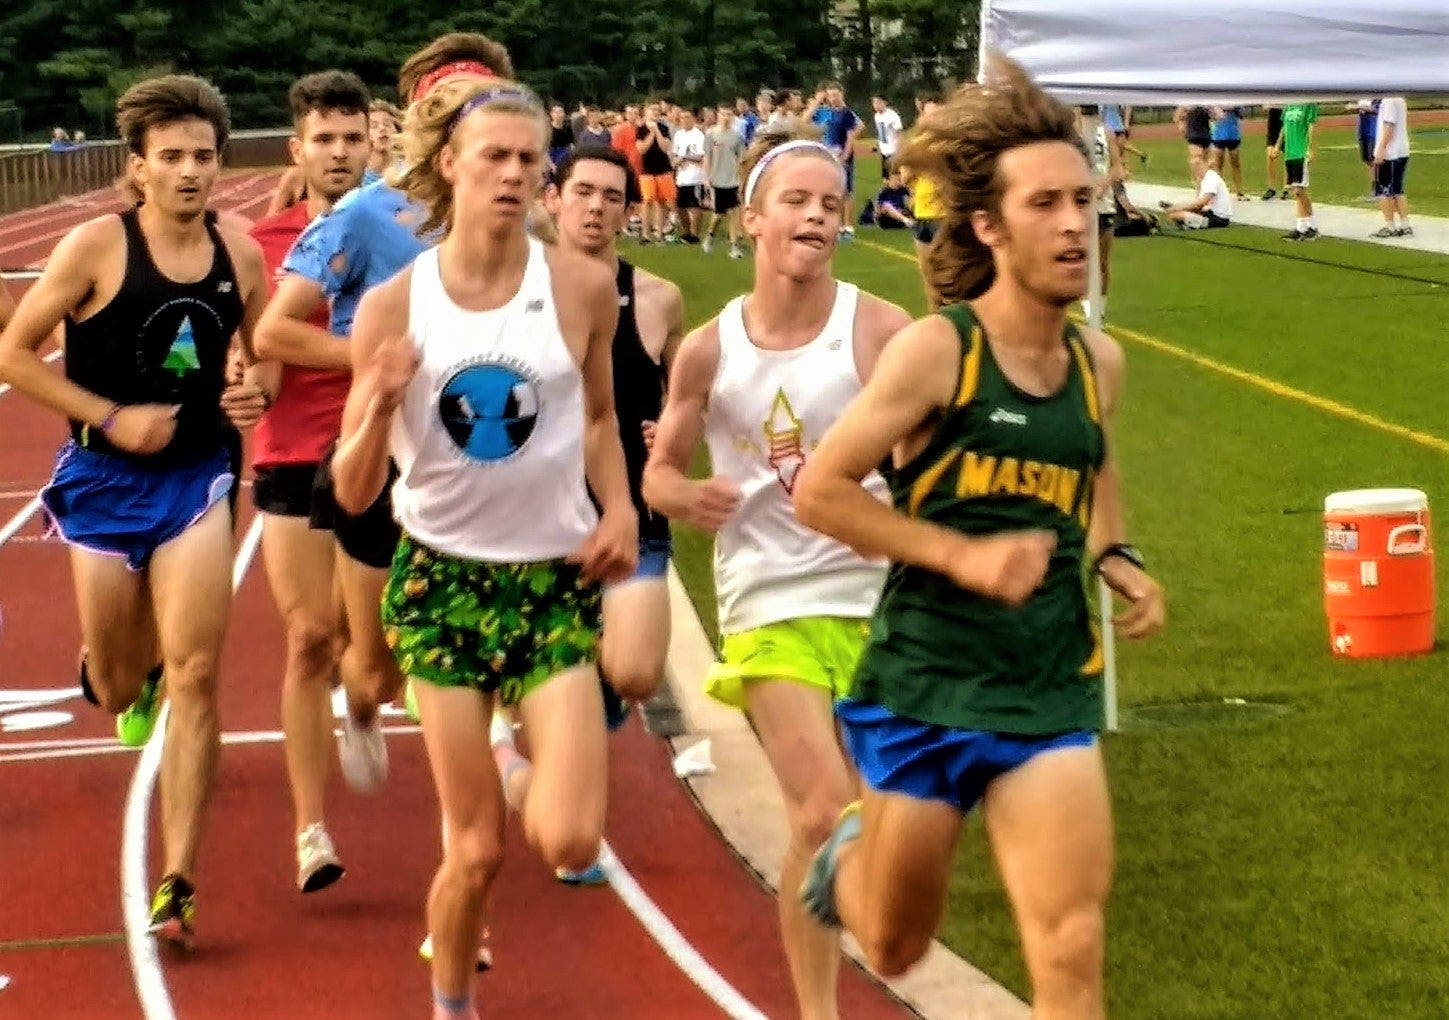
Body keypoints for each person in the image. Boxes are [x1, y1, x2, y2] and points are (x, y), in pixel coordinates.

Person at [792, 60, 1164, 1019]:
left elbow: (1093, 463)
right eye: (1045, 203)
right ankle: (848, 851)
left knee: (1071, 942)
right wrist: (961, 556)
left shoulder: (1099, 364)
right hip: (921, 686)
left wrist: (1115, 554)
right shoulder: (939, 354)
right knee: (895, 945)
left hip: (1046, 688)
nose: (1075, 221)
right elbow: (823, 492)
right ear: (989, 227)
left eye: (1084, 198)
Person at [330, 76, 636, 1020]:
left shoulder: (583, 286)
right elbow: (351, 491)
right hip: (442, 587)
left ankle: (512, 759)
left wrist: (618, 507)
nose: (510, 174)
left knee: (573, 843)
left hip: (550, 584)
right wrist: (380, 399)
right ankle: (452, 1004)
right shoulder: (393, 306)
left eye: (525, 159)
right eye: (491, 156)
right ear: (449, 165)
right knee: (475, 852)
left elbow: (594, 414)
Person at [254, 34, 512, 963]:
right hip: (377, 469)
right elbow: (281, 330)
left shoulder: (520, 217)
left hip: (480, 475)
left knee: (469, 683)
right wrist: (380, 360)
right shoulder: (367, 217)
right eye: (464, 116)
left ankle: (466, 908)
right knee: (374, 670)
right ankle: (361, 707)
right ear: (433, 129)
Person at [643, 128, 911, 1020]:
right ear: (751, 219)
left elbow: (924, 463)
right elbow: (660, 471)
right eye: (795, 201)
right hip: (770, 594)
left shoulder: (878, 331)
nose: (815, 216)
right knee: (823, 811)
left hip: (876, 597)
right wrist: (683, 497)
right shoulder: (710, 352)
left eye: (830, 205)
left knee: (866, 824)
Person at [0, 74, 271, 951]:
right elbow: (14, 356)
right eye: (172, 158)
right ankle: (117, 670)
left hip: (197, 481)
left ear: (219, 166)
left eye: (203, 157)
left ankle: (179, 879)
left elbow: (253, 359)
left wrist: (248, 392)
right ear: (139, 169)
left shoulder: (243, 257)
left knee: (196, 675)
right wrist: (111, 417)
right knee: (121, 685)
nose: (190, 173)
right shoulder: (94, 248)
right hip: (103, 482)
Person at [494, 143, 686, 884]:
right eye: (583, 191)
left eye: (612, 195)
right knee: (560, 676)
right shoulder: (514, 290)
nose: (596, 207)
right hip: (540, 519)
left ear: (628, 210)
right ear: (554, 198)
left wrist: (667, 428)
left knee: (634, 673)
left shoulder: (660, 297)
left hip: (631, 511)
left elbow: (679, 402)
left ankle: (551, 753)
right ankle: (559, 805)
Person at [248, 70, 372, 893]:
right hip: (292, 451)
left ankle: (363, 701)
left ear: (374, 145)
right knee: (307, 638)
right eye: (322, 140)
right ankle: (309, 830)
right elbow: (264, 350)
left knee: (376, 650)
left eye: (351, 138)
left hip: (383, 452)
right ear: (298, 150)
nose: (337, 153)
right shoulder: (262, 246)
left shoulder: (404, 229)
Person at [702, 104, 745, 257]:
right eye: (723, 114)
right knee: (719, 214)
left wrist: (741, 179)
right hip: (717, 178)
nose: (726, 117)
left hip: (732, 179)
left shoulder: (737, 136)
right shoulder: (711, 134)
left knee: (733, 212)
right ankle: (710, 235)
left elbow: (741, 159)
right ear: (718, 115)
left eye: (729, 114)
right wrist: (706, 177)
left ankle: (734, 247)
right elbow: (707, 157)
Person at [1272, 102, 1317, 240]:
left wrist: (1309, 147)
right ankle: (1304, 226)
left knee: (1299, 190)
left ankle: (1308, 225)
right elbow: (1284, 127)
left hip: (1300, 151)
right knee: (1296, 191)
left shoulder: (1309, 105)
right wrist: (1278, 145)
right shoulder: (1289, 105)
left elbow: (1310, 127)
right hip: (1289, 153)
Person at [1371, 96, 1412, 238]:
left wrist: (1381, 148)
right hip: (1402, 150)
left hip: (1391, 152)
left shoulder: (1388, 101)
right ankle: (1405, 225)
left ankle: (1389, 226)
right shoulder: (1400, 99)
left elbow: (1389, 125)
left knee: (1384, 190)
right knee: (1398, 190)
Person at [1158, 153, 1233, 229]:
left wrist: (1177, 208)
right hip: (1211, 213)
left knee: (1175, 216)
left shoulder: (1211, 179)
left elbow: (1201, 203)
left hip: (1218, 219)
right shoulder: (1207, 178)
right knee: (1177, 212)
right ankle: (1189, 222)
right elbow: (1199, 205)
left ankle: (1191, 224)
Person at [636, 102, 676, 243]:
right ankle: (645, 233)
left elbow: (665, 147)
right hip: (647, 170)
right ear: (646, 111)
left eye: (657, 110)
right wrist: (651, 133)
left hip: (663, 168)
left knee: (662, 202)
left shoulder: (664, 128)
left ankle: (659, 233)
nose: (655, 112)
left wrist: (657, 131)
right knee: (647, 201)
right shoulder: (640, 129)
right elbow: (641, 149)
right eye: (652, 110)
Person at [672, 109, 707, 243]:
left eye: (687, 117)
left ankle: (695, 234)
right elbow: (675, 153)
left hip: (695, 176)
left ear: (693, 119)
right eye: (682, 118)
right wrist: (676, 161)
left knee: (695, 205)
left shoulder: (698, 135)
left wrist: (684, 158)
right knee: (681, 206)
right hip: (682, 176)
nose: (685, 120)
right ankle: (686, 232)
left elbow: (700, 156)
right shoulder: (679, 135)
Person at [1208, 106, 1244, 198]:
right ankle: (1219, 192)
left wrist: (1234, 108)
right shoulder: (1216, 102)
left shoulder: (1236, 101)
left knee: (1236, 164)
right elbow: (1211, 115)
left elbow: (1242, 114)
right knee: (1218, 165)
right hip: (1218, 135)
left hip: (1233, 134)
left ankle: (1239, 192)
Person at [366, 99, 403, 184]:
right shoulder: (356, 176)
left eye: (387, 124)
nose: (382, 128)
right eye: (374, 126)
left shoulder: (408, 172)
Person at [871, 95, 902, 178]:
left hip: (893, 151)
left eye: (878, 102)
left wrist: (899, 149)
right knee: (885, 177)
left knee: (895, 176)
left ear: (885, 103)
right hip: (883, 151)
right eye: (874, 103)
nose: (876, 105)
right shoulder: (877, 116)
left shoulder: (892, 115)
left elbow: (898, 132)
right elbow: (880, 132)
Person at [1262, 105, 1285, 201]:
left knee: (1287, 155)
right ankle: (1271, 188)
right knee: (1270, 155)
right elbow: (1265, 106)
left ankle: (1286, 188)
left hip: (1285, 119)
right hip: (1273, 122)